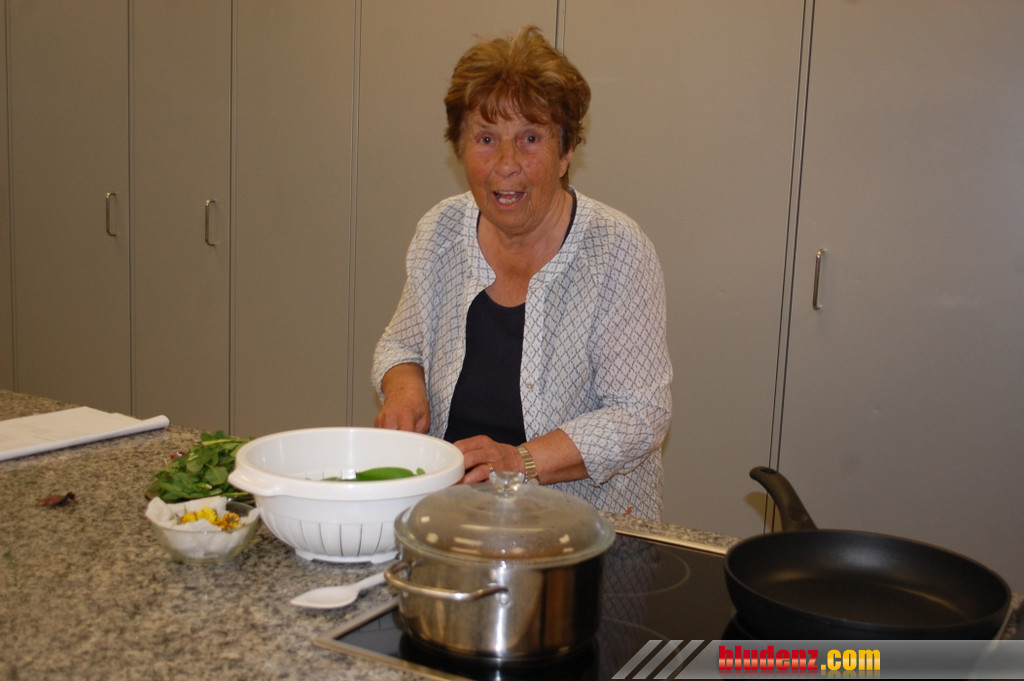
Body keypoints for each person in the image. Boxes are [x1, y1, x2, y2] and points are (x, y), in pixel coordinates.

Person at [372, 26, 671, 521]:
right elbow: (402, 345)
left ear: (566, 152)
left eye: (530, 139)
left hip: (586, 533)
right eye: (486, 139)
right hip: (452, 519)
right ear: (459, 148)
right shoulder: (441, 231)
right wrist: (404, 388)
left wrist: (520, 461)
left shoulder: (617, 249)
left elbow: (640, 415)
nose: (505, 164)